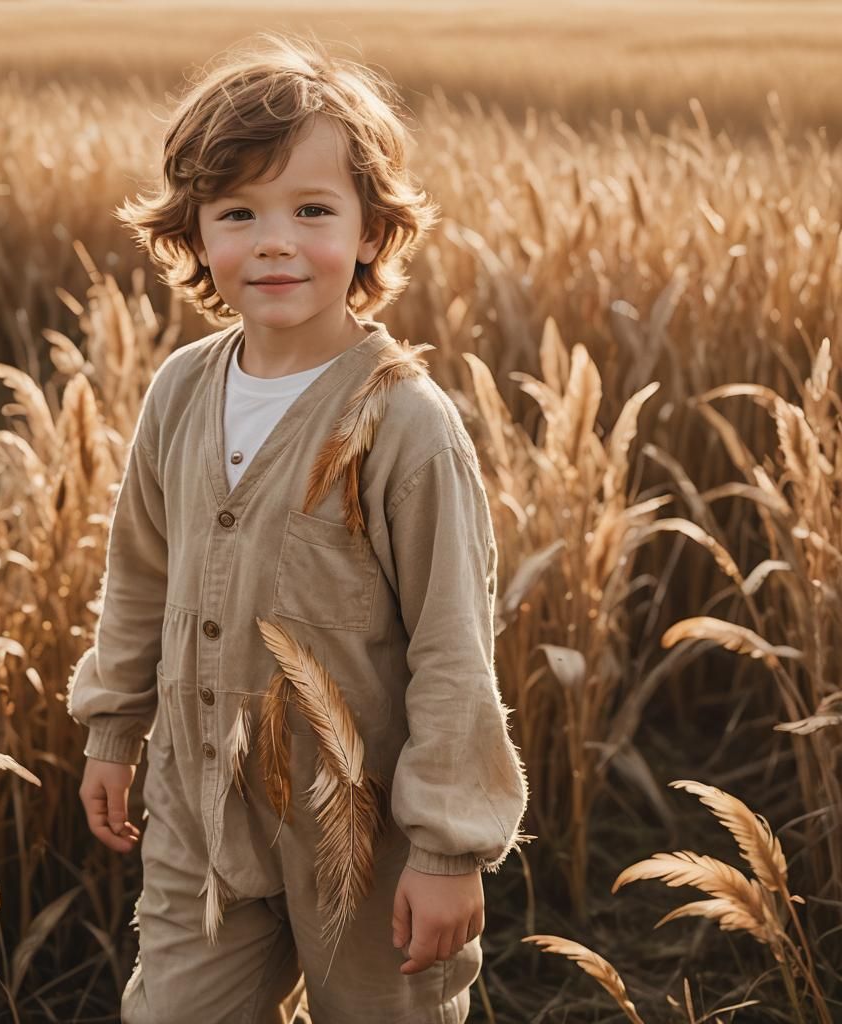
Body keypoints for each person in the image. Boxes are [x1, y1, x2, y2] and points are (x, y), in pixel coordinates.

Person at [66, 30, 528, 1024]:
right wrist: (114, 721)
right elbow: (140, 570)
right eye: (238, 213)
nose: (274, 240)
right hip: (198, 817)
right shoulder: (183, 389)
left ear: (371, 231)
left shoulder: (404, 423)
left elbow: (454, 647)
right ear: (195, 237)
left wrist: (448, 848)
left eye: (311, 210)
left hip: (362, 838)